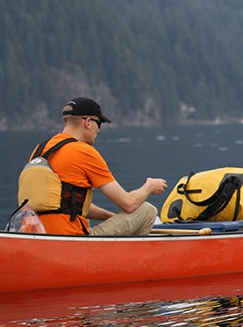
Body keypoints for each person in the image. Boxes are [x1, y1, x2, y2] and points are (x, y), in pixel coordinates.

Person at [22, 97, 167, 236]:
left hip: (35, 235)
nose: (99, 130)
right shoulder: (84, 152)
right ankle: (128, 260)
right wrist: (149, 186)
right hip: (72, 238)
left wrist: (111, 218)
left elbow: (64, 203)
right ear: (88, 122)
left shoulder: (40, 150)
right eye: (99, 123)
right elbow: (128, 204)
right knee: (147, 211)